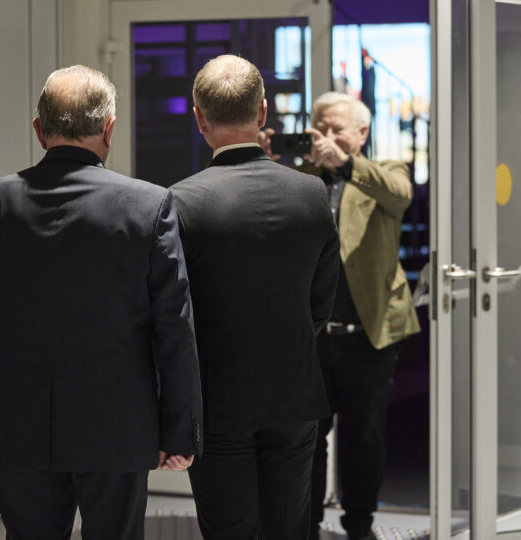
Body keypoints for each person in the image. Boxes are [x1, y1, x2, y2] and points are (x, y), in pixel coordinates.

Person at [0, 65, 203, 540]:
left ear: (39, 129)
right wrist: (178, 431)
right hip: (119, 426)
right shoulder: (149, 206)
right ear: (109, 129)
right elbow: (173, 329)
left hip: (18, 423)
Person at [170, 55, 339, 540]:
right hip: (294, 393)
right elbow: (320, 303)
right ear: (263, 111)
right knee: (289, 528)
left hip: (217, 399)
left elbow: (174, 314)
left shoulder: (180, 201)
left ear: (200, 118)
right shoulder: (311, 194)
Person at [260, 92, 420, 540]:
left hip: (369, 333)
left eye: (338, 129)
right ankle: (306, 525)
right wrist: (266, 161)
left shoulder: (385, 171)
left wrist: (345, 164)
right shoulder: (300, 178)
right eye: (321, 129)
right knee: (307, 437)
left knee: (364, 436)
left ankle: (359, 525)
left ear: (362, 133)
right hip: (312, 336)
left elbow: (400, 196)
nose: (328, 137)